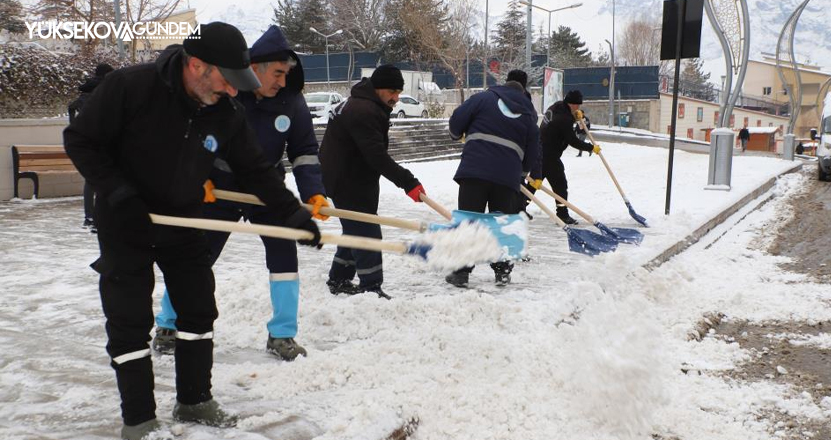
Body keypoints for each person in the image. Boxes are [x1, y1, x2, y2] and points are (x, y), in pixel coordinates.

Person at [63, 22, 322, 440]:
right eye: (227, 80)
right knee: (129, 319)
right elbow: (81, 140)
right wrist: (118, 194)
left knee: (198, 308)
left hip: (183, 217)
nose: (234, 92)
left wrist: (292, 215)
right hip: (126, 219)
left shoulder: (224, 110)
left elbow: (255, 169)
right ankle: (140, 420)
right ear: (197, 65)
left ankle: (194, 400)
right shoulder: (131, 87)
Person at [151, 25, 327, 362]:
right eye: (277, 73)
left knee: (284, 259)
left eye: (286, 74)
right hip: (219, 188)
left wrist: (314, 193)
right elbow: (197, 136)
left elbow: (304, 152)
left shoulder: (292, 102)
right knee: (195, 257)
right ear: (255, 69)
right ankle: (169, 324)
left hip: (267, 191)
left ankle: (282, 335)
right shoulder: (228, 93)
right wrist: (197, 176)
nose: (282, 81)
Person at [319, 64, 425, 298]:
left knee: (355, 228)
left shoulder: (360, 103)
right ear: (377, 88)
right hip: (347, 179)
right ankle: (371, 287)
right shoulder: (363, 110)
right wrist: (408, 182)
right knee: (367, 232)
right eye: (392, 92)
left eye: (399, 92)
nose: (396, 98)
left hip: (348, 175)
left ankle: (339, 279)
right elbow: (376, 155)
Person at [444, 69, 540, 288]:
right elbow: (533, 149)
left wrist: (457, 133)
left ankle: (461, 273)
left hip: (475, 171)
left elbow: (457, 119)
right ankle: (502, 273)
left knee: (470, 221)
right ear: (523, 90)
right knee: (502, 224)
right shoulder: (528, 114)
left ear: (505, 84)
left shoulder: (483, 98)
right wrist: (522, 173)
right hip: (507, 178)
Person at [537, 89, 599, 225]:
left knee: (534, 182)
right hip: (549, 155)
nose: (579, 108)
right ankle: (562, 215)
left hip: (540, 150)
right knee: (560, 185)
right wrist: (590, 147)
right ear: (572, 104)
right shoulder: (564, 119)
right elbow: (573, 141)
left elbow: (562, 122)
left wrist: (575, 117)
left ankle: (519, 207)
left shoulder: (556, 106)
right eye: (578, 105)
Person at [68, 62, 114, 233]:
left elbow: (71, 112)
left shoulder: (83, 94)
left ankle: (89, 216)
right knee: (107, 179)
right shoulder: (105, 91)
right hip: (104, 141)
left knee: (91, 180)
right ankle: (100, 217)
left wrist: (76, 128)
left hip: (88, 142)